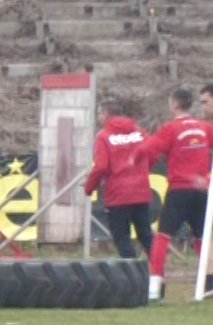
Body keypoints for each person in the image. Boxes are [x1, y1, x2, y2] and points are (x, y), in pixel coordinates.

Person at [140, 87, 211, 301]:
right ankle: (207, 284)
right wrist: (207, 178)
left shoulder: (171, 129)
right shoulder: (204, 127)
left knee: (162, 238)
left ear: (175, 105)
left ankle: (155, 289)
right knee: (202, 239)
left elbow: (147, 149)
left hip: (179, 190)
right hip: (201, 191)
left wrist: (135, 158)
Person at [85, 99, 153, 265]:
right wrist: (142, 171)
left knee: (121, 237)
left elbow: (101, 166)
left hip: (118, 195)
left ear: (106, 114)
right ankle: (158, 273)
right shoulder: (140, 131)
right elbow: (153, 154)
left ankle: (132, 272)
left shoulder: (103, 136)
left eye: (100, 114)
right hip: (141, 192)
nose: (99, 118)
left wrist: (89, 187)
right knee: (146, 236)